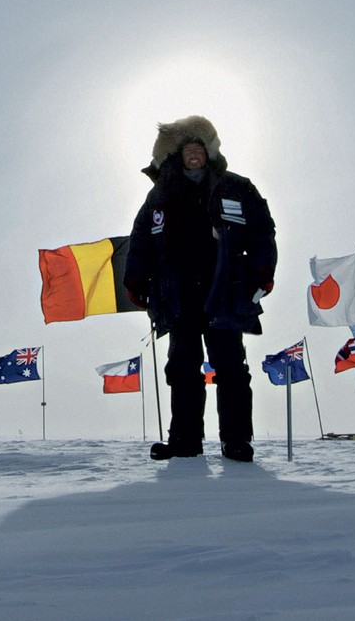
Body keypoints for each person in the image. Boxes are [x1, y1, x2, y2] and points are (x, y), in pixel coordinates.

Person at [124, 116, 277, 462]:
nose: (194, 156)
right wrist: (135, 280)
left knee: (231, 368)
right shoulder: (159, 196)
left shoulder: (237, 187)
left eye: (199, 149)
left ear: (209, 153)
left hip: (224, 292)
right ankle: (184, 440)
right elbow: (140, 241)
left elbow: (262, 233)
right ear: (178, 156)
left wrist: (263, 272)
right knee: (181, 367)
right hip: (179, 296)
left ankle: (236, 440)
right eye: (187, 151)